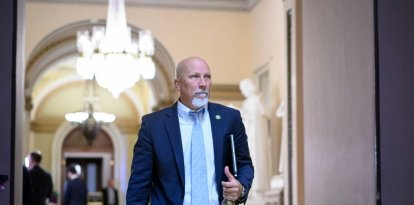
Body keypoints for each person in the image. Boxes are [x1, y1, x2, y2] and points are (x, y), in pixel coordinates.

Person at [126, 56, 254, 205]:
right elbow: (139, 185)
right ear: (178, 84)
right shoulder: (153, 125)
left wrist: (241, 188)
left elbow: (245, 164)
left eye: (207, 77)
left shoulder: (230, 118)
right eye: (195, 77)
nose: (203, 83)